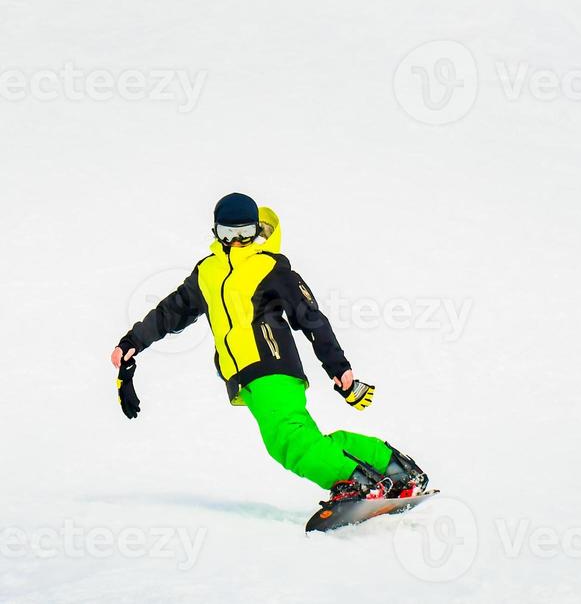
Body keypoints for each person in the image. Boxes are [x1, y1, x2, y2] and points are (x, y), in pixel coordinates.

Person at [110, 193, 428, 505]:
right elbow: (171, 312)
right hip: (245, 379)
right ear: (215, 233)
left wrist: (337, 366)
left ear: (255, 232)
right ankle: (391, 467)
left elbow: (310, 317)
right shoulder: (206, 273)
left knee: (287, 441)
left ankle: (353, 482)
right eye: (227, 234)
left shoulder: (270, 268)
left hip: (271, 365)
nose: (236, 242)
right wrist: (132, 342)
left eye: (244, 234)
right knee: (300, 436)